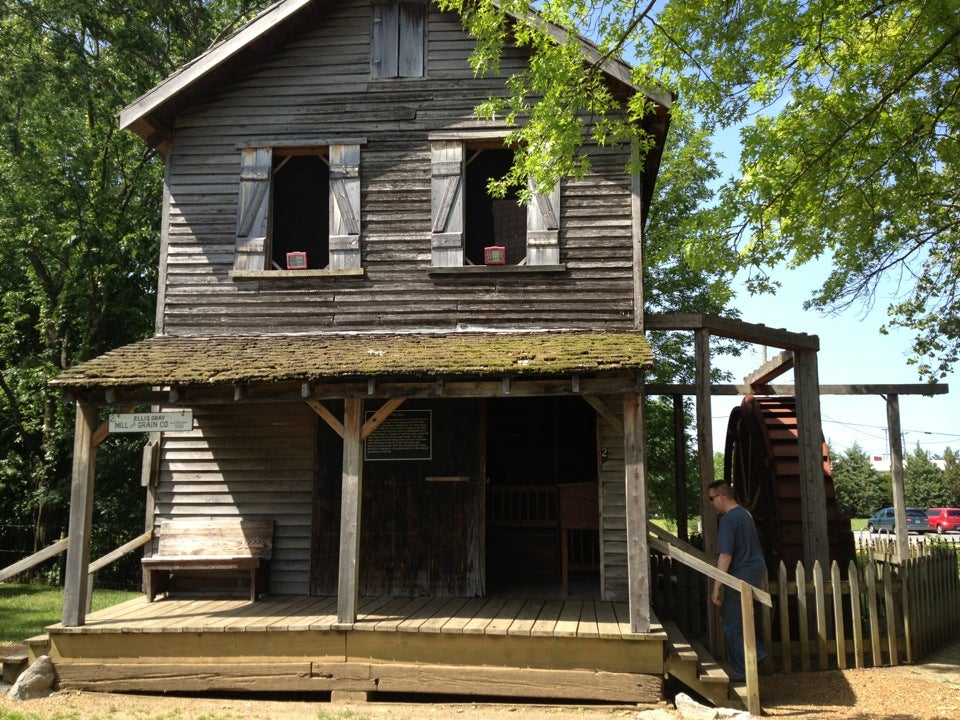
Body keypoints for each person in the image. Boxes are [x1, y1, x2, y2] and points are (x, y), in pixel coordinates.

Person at [708, 479, 768, 681]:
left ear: (722, 497)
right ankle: (753, 658)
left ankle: (744, 670)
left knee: (733, 624)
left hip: (741, 574)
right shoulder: (745, 514)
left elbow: (725, 556)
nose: (711, 503)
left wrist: (717, 586)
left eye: (712, 498)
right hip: (754, 571)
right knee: (739, 619)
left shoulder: (728, 519)